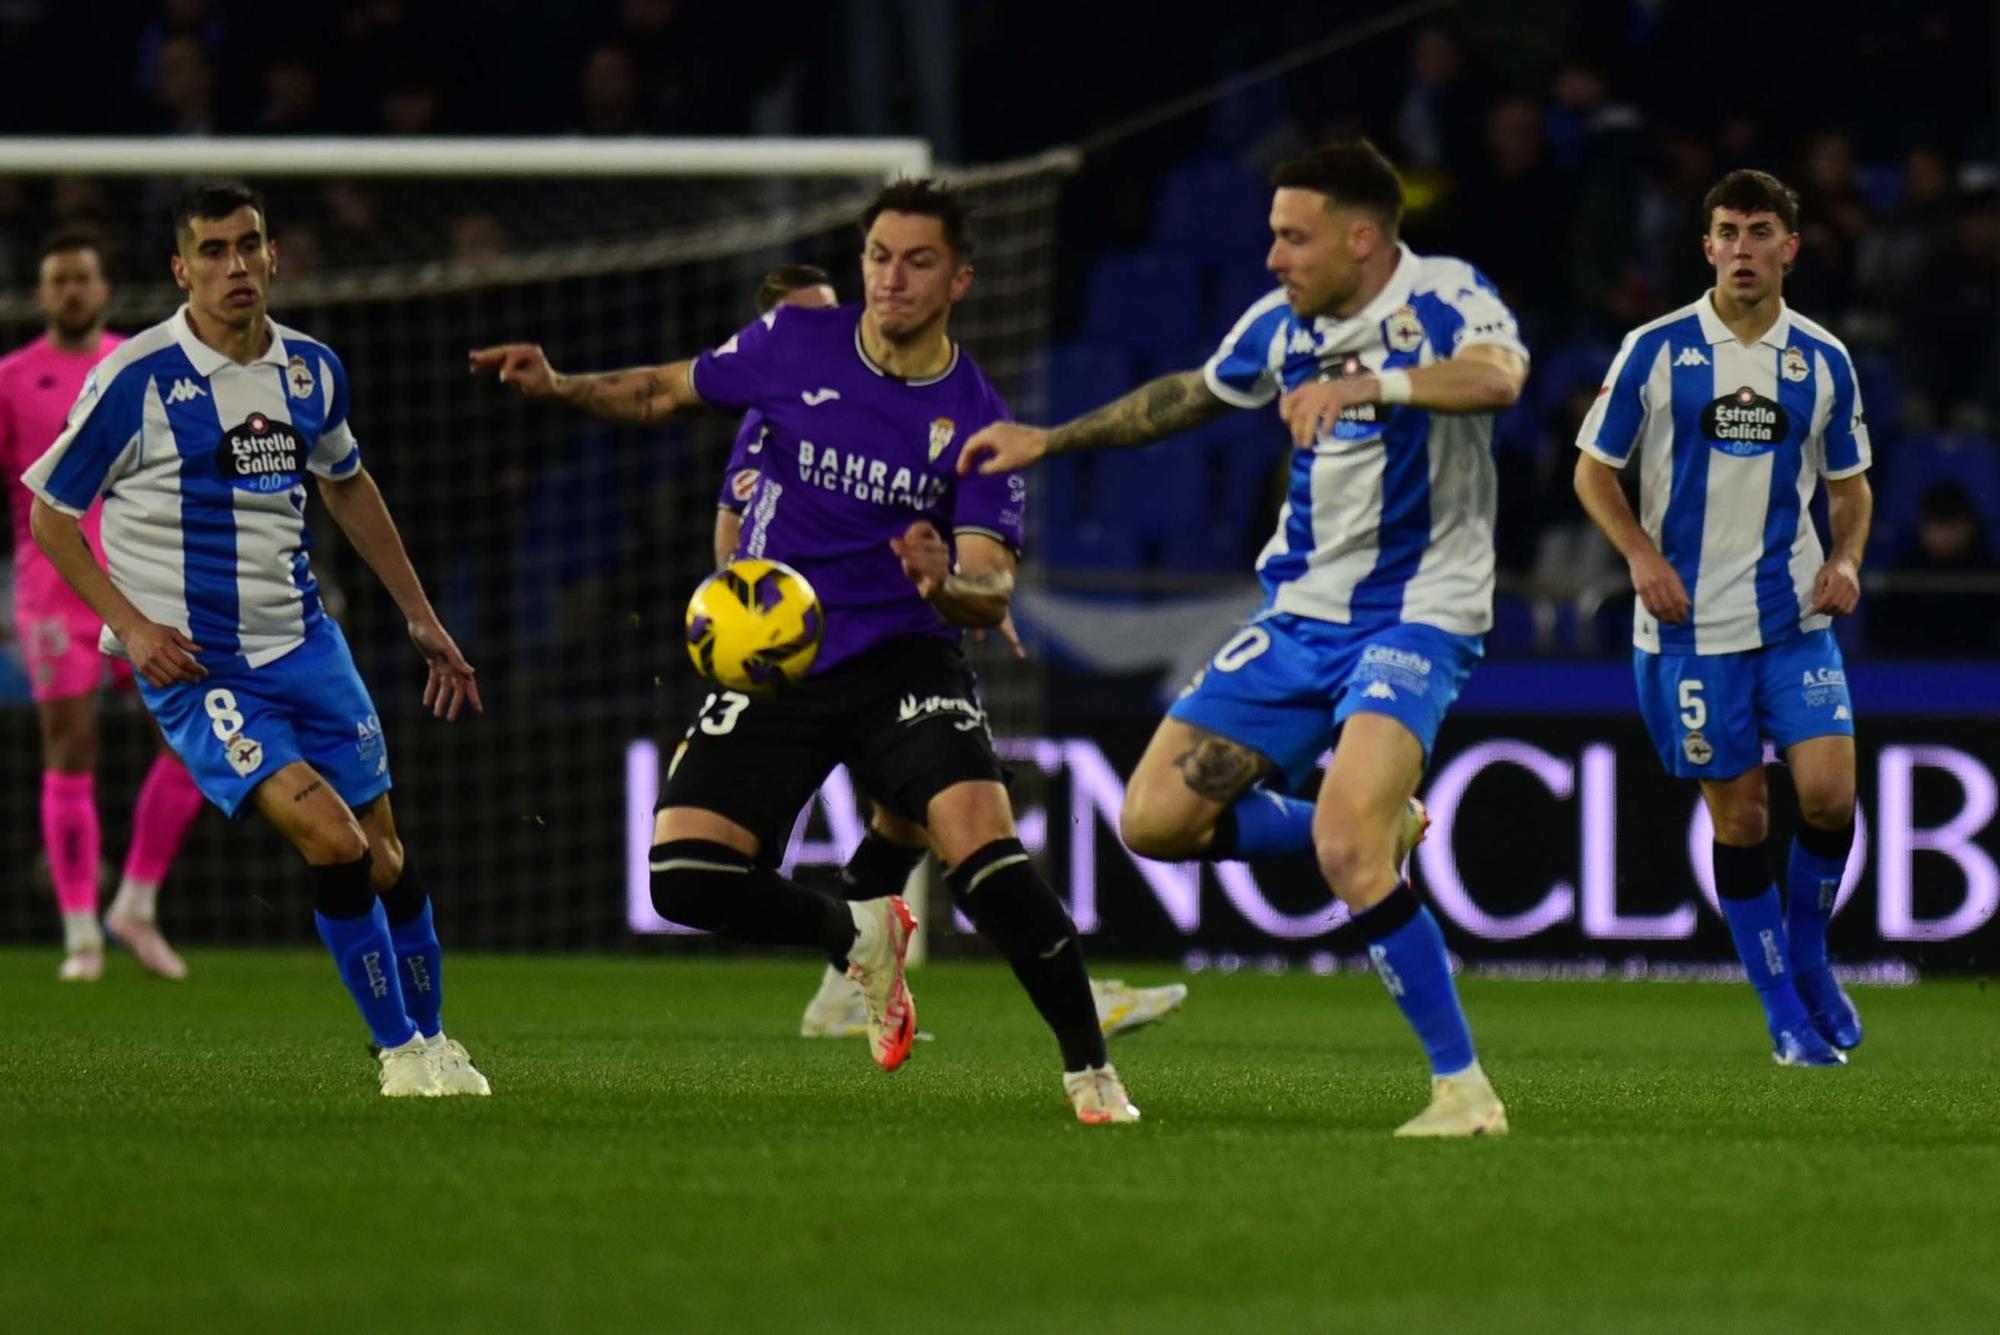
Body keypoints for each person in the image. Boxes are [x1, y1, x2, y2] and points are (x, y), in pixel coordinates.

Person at [472, 180, 1142, 1124]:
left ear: (960, 279)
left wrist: (941, 582)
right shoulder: (795, 344)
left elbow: (991, 585)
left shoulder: (977, 416)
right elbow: (664, 389)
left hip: (906, 653)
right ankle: (857, 930)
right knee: (683, 879)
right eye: (877, 256)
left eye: (916, 262)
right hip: (781, 655)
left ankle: (1091, 1074)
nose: (891, 278)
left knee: (978, 837)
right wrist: (560, 383)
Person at [962, 139, 1528, 1137]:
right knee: (1152, 820)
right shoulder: (1280, 327)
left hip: (1416, 614)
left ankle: (1462, 1091)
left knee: (1345, 846)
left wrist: (1370, 388)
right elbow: (1183, 396)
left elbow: (1494, 380)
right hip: (1297, 617)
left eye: (1292, 237)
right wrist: (1047, 443)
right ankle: (1371, 827)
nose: (1272, 257)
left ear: (1360, 237)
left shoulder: (1443, 295)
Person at [24, 181, 490, 1098]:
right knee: (331, 838)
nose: (234, 265)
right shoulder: (137, 379)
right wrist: (130, 625)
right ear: (179, 269)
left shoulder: (312, 369)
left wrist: (420, 615)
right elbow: (51, 516)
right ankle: (395, 1049)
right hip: (201, 667)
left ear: (273, 255)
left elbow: (346, 484)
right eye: (212, 250)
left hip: (309, 648)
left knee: (386, 853)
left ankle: (438, 1041)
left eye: (249, 245)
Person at [716, 262, 1191, 1043]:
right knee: (955, 824)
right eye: (809, 321)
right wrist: (747, 621)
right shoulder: (771, 411)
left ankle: (844, 986)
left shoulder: (879, 404)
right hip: (819, 654)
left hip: (891, 637)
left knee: (911, 815)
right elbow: (732, 535)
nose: (832, 333)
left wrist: (968, 590)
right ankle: (1064, 990)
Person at [1572, 168, 1870, 1067]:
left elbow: (1851, 488)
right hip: (1689, 628)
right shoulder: (1655, 350)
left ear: (1791, 247)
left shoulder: (1824, 360)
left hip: (1793, 615)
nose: (1745, 248)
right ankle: (1781, 1008)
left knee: (1830, 795)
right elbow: (1593, 472)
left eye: (1761, 231)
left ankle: (1810, 957)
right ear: (1707, 248)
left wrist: (1847, 559)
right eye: (1729, 232)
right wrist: (1640, 556)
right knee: (1740, 821)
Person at [0, 232, 204, 982]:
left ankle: (138, 903)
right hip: (55, 590)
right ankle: (82, 931)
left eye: (83, 278)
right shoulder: (11, 378)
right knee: (70, 746)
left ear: (106, 285)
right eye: (58, 281)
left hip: (146, 582)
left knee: (187, 737)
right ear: (42, 293)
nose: (72, 292)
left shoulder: (143, 366)